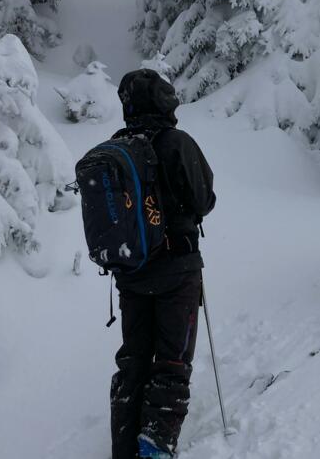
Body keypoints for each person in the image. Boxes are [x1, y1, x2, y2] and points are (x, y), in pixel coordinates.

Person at [109, 69, 216, 459]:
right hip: (177, 270)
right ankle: (154, 448)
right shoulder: (176, 143)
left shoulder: (114, 148)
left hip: (130, 274)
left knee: (134, 358)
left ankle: (124, 447)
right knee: (171, 361)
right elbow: (204, 199)